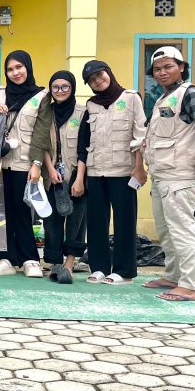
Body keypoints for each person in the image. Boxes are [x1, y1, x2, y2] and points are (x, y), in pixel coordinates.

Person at [142, 46, 195, 302]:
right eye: (157, 69)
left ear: (181, 67)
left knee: (182, 230)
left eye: (168, 67)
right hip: (161, 175)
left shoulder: (190, 93)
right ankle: (173, 276)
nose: (162, 72)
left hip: (179, 177)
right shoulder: (164, 99)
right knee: (166, 231)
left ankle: (190, 285)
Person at [72, 60, 147, 284]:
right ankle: (99, 267)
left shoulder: (131, 98)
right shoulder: (91, 105)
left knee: (125, 222)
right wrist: (81, 177)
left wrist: (139, 167)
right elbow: (84, 142)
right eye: (91, 80)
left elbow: (141, 136)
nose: (97, 81)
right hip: (96, 172)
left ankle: (124, 271)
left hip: (124, 172)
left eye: (100, 75)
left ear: (109, 73)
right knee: (96, 222)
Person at [0, 50, 48, 278]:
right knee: (4, 213)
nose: (15, 73)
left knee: (23, 212)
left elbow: (42, 133)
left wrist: (37, 164)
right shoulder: (1, 94)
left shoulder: (41, 96)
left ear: (28, 68)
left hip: (25, 163)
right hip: (1, 163)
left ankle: (30, 259)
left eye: (19, 67)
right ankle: (5, 259)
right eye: (10, 69)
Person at [30, 70, 86, 285]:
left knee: (76, 222)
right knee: (51, 222)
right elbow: (41, 142)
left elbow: (85, 147)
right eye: (55, 87)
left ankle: (69, 264)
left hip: (77, 175)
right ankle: (55, 263)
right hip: (51, 177)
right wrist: (50, 169)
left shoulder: (82, 112)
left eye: (65, 87)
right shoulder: (47, 112)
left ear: (72, 88)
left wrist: (80, 178)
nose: (60, 91)